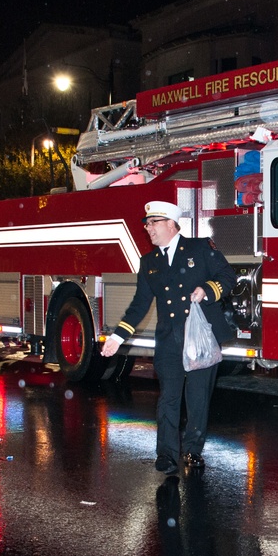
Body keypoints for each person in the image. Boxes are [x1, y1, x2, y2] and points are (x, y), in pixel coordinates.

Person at [101, 201, 237, 476]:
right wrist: (118, 336)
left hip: (200, 338)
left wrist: (207, 290)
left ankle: (193, 450)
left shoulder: (200, 248)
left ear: (172, 225)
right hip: (169, 340)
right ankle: (166, 454)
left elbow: (228, 276)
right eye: (147, 223)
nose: (147, 227)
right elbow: (140, 305)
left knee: (198, 397)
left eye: (154, 223)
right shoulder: (150, 262)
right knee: (168, 398)